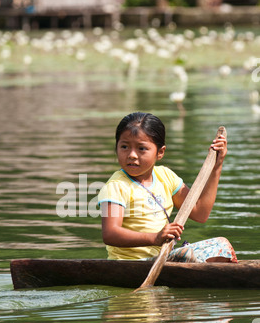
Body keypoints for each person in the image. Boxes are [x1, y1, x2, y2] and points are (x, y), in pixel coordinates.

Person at [98, 112, 237, 263]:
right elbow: (110, 234)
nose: (131, 155)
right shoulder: (115, 186)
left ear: (160, 152)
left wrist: (217, 166)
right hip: (132, 263)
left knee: (221, 245)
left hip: (161, 258)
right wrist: (155, 238)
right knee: (194, 254)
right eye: (124, 146)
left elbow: (200, 213)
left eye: (141, 148)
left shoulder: (166, 176)